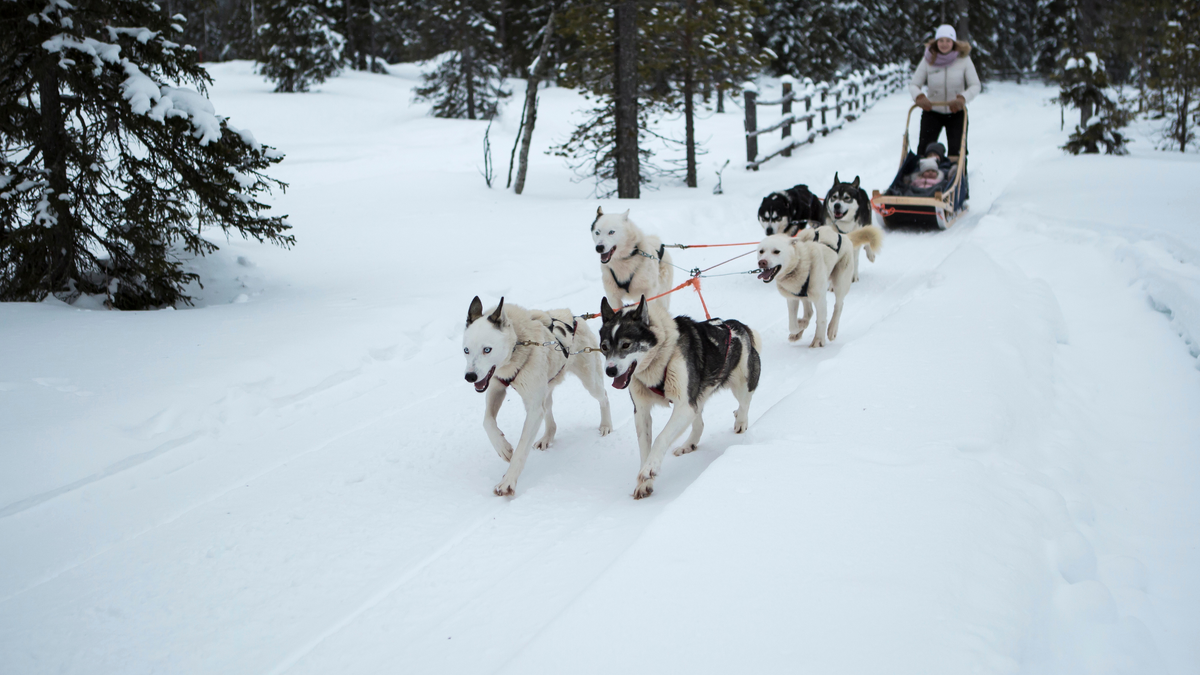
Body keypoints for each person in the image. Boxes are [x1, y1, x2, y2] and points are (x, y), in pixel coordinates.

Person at [908, 24, 980, 159]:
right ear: (936, 42)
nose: (944, 44)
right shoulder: (927, 60)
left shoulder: (964, 60)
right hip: (932, 110)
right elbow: (914, 85)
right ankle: (924, 177)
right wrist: (919, 97)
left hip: (956, 111)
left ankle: (959, 176)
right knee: (924, 151)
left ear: (953, 42)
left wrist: (962, 99)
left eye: (948, 40)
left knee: (957, 151)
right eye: (941, 40)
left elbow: (975, 85)